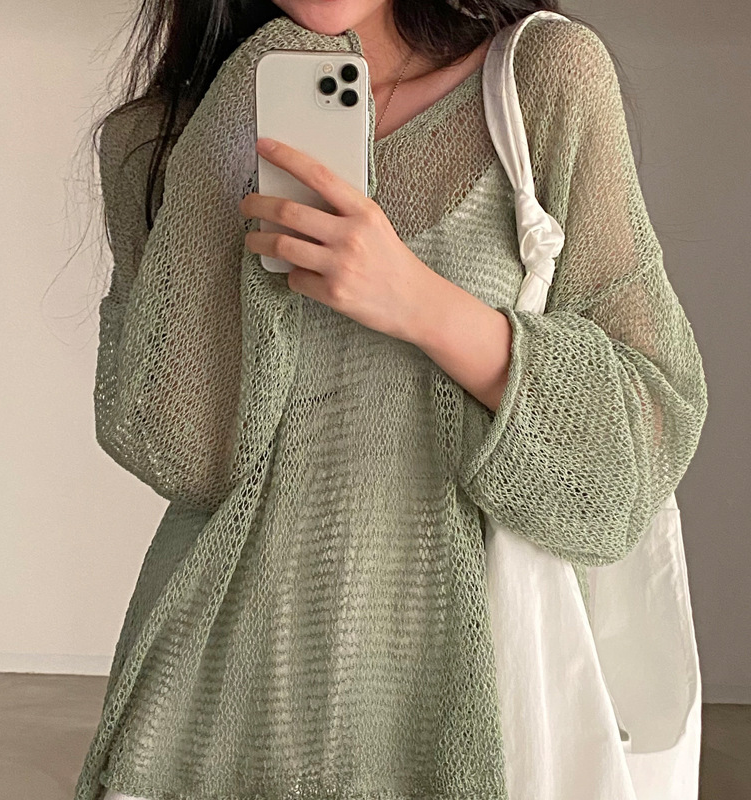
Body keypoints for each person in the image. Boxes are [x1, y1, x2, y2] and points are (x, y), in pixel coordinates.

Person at [75, 1, 709, 799]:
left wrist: (421, 304)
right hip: (205, 722)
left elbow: (641, 445)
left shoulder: (541, 80)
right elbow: (180, 456)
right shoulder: (157, 140)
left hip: (460, 716)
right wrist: (227, 131)